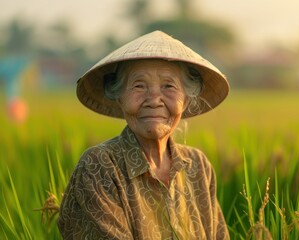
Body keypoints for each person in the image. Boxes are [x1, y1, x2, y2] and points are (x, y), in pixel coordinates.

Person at [57, 30, 230, 239]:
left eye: (169, 86)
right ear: (119, 96)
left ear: (185, 99)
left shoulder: (197, 166)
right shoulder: (99, 166)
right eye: (139, 86)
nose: (154, 99)